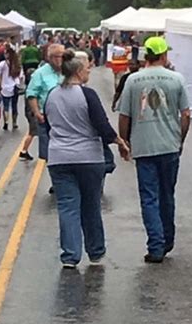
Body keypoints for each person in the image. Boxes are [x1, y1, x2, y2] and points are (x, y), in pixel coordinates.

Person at [45, 50, 130, 268]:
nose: (89, 71)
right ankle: (95, 250)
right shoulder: (87, 95)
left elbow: (48, 125)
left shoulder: (52, 95)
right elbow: (101, 124)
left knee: (67, 206)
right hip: (88, 157)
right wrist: (119, 141)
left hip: (59, 158)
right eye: (87, 68)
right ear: (78, 71)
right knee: (91, 205)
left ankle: (70, 255)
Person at [118, 36, 191, 263]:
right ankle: (167, 239)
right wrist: (180, 138)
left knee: (149, 197)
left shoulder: (132, 80)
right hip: (169, 145)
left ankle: (156, 245)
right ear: (163, 55)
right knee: (167, 194)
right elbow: (186, 114)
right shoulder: (177, 79)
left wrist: (124, 141)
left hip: (144, 146)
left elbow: (124, 115)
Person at [26, 43, 65, 161]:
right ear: (50, 58)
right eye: (58, 56)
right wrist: (37, 113)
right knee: (49, 155)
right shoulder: (40, 73)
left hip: (65, 116)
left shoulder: (67, 71)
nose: (61, 59)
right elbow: (32, 94)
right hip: (47, 117)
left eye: (63, 56)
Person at [0, 48, 22, 131]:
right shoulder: (17, 64)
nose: (4, 55)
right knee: (14, 106)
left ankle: (6, 122)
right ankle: (14, 122)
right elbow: (21, 77)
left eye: (5, 53)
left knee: (6, 106)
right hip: (15, 87)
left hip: (5, 87)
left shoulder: (2, 64)